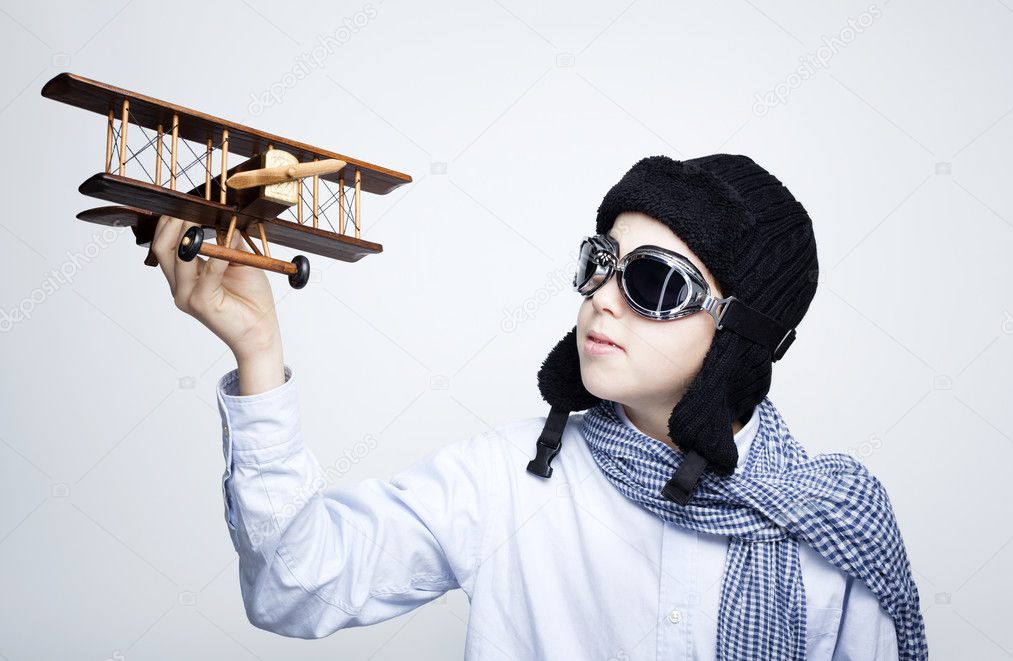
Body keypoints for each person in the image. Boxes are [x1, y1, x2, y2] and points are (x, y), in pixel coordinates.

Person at [150, 153, 926, 660]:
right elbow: (294, 585)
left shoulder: (834, 522)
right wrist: (257, 354)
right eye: (600, 263)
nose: (602, 299)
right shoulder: (504, 482)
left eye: (652, 281)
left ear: (739, 333)